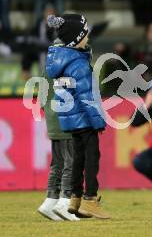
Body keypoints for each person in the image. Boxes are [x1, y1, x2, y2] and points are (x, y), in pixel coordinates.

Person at [45, 13, 110, 219]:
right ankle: (90, 199)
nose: (88, 38)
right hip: (84, 119)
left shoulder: (58, 62)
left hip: (70, 120)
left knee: (77, 160)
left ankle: (74, 199)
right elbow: (87, 97)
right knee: (92, 158)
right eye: (85, 35)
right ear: (76, 39)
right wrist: (98, 121)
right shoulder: (79, 64)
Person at [37, 69, 79, 221]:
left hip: (53, 121)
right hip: (71, 120)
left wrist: (50, 112)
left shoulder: (48, 67)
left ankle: (50, 201)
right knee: (72, 162)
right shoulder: (74, 64)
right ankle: (65, 202)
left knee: (58, 163)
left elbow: (41, 100)